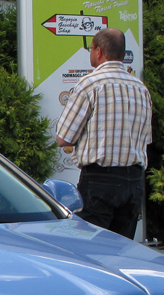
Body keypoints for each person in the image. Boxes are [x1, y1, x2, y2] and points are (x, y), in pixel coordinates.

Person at [55, 27, 152, 239]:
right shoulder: (141, 88)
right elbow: (146, 138)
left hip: (100, 180)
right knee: (121, 250)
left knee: (92, 249)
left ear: (99, 52)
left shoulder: (90, 84)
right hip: (134, 181)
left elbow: (63, 137)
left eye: (90, 49)